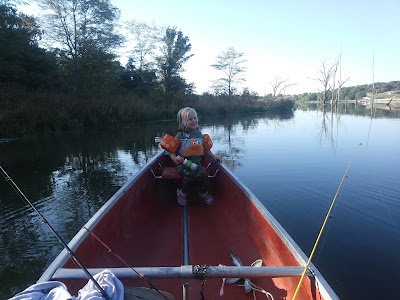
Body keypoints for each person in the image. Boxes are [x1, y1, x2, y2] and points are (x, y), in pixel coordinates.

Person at [160, 107, 220, 205]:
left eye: (195, 118)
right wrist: (174, 159)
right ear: (183, 122)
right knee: (190, 174)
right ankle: (182, 193)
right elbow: (171, 150)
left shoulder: (199, 134)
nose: (194, 121)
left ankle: (203, 193)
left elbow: (206, 149)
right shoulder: (180, 135)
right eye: (190, 119)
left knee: (201, 174)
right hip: (182, 164)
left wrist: (214, 157)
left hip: (196, 164)